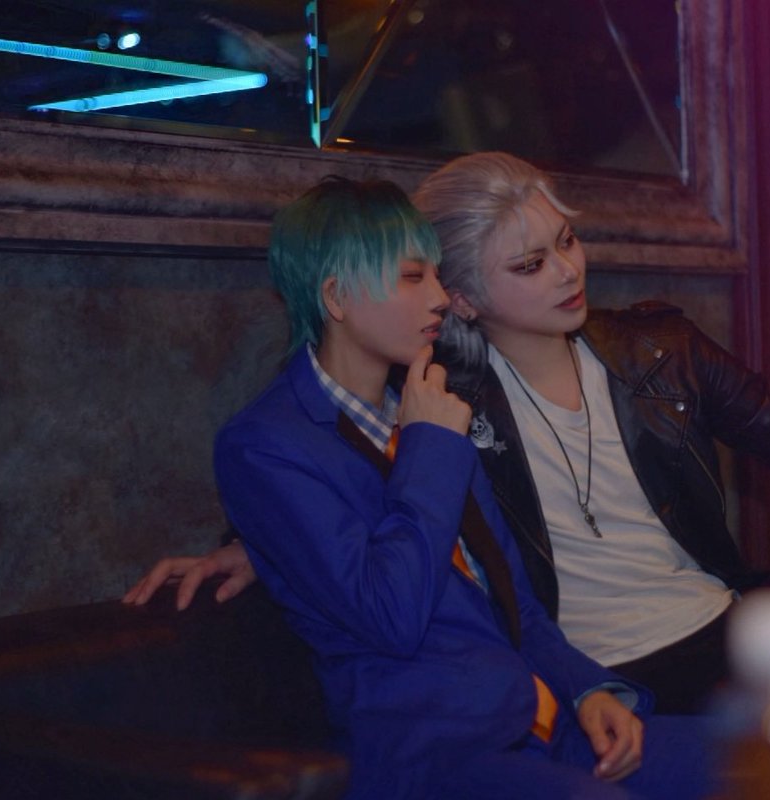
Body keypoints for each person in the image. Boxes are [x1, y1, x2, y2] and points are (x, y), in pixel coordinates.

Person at [126, 152, 770, 715]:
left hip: (729, 617)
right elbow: (330, 459)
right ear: (464, 297)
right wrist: (251, 545)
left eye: (566, 241)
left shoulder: (659, 347)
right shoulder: (442, 392)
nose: (567, 272)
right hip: (612, 661)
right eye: (530, 263)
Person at [195, 175, 710, 799]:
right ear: (336, 297)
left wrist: (588, 689)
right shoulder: (267, 443)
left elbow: (515, 603)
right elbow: (391, 614)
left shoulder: (429, 405)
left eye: (437, 276)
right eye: (414, 277)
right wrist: (429, 446)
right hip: (434, 753)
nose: (440, 297)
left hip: (541, 722)